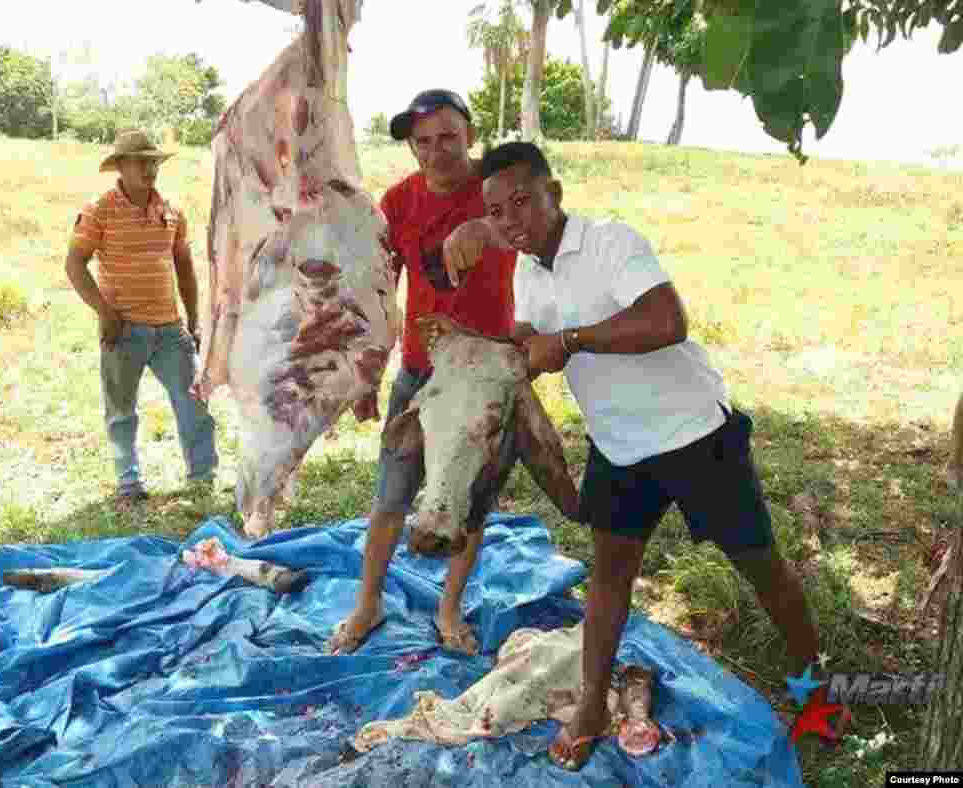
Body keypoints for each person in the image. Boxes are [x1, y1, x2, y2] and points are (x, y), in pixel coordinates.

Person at [443, 141, 822, 770]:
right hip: (618, 447)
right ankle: (592, 703)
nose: (513, 220)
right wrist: (489, 366)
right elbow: (531, 339)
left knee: (759, 565)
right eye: (497, 212)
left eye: (523, 202)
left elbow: (669, 320)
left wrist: (570, 341)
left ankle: (815, 685)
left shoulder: (610, 242)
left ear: (553, 194)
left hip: (694, 435)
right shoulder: (528, 269)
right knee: (610, 574)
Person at [325, 90, 517, 657]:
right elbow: (383, 294)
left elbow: (543, 227)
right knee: (391, 496)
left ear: (470, 135)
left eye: (448, 138)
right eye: (423, 141)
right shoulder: (400, 201)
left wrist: (488, 227)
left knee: (468, 504)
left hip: (483, 374)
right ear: (412, 145)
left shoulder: (499, 191)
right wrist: (368, 373)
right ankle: (368, 603)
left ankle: (449, 609)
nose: (435, 152)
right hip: (418, 371)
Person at [65, 129, 218, 502]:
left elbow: (184, 267)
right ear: (120, 166)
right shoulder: (98, 210)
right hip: (124, 329)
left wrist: (194, 320)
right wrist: (104, 312)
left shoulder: (171, 211)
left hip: (170, 329)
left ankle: (202, 480)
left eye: (153, 162)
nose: (149, 169)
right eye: (140, 162)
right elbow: (74, 264)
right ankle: (129, 484)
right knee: (121, 411)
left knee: (195, 403)